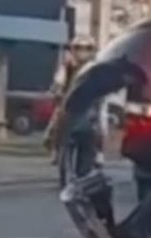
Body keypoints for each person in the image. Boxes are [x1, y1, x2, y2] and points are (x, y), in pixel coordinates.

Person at [44, 34, 100, 171]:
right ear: (73, 50)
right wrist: (56, 91)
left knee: (100, 122)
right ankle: (55, 149)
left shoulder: (96, 67)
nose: (83, 52)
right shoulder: (67, 66)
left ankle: (99, 152)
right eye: (79, 48)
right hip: (69, 104)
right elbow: (58, 82)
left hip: (90, 104)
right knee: (56, 120)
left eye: (87, 48)